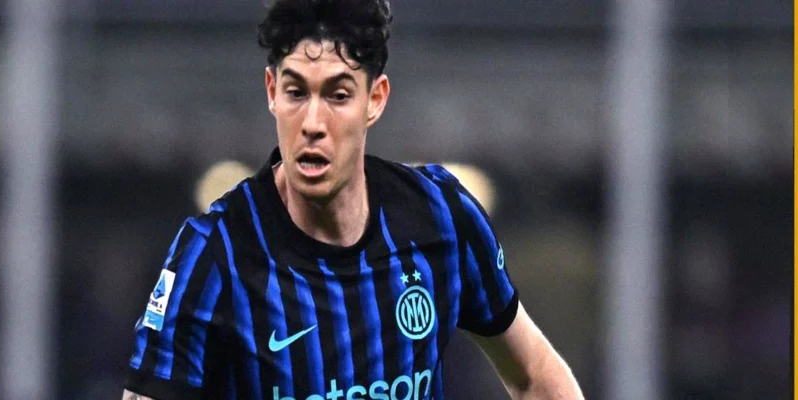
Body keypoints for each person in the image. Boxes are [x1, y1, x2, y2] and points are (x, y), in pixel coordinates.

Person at [123, 0, 583, 399]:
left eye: (338, 95)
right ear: (271, 92)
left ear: (375, 99)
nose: (312, 123)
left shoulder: (440, 216)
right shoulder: (215, 254)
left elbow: (534, 374)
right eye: (296, 92)